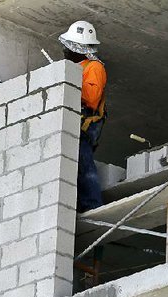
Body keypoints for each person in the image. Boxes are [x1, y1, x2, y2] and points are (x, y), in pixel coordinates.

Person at [59, 20, 107, 212]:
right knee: (78, 167)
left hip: (85, 125)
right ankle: (82, 206)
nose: (65, 51)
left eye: (68, 47)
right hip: (78, 124)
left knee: (85, 167)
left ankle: (93, 206)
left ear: (78, 48)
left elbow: (92, 98)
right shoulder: (82, 68)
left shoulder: (94, 67)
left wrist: (70, 82)